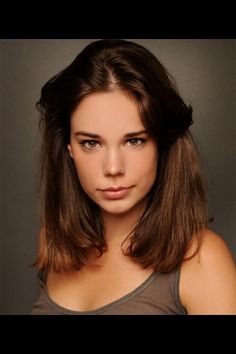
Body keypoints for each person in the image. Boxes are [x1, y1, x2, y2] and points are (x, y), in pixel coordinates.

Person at [31, 39, 236, 315]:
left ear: (161, 143)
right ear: (69, 148)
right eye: (91, 143)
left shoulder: (202, 259)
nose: (113, 167)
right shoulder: (55, 241)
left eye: (134, 141)